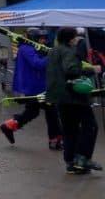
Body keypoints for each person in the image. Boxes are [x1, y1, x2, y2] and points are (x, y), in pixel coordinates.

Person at [46, 26, 102, 174]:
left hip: (59, 97)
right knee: (90, 126)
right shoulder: (69, 51)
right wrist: (92, 70)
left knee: (70, 130)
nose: (77, 39)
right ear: (71, 38)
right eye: (76, 37)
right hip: (74, 97)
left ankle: (71, 162)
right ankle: (83, 158)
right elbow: (71, 70)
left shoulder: (53, 51)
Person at [0, 28, 62, 149]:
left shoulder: (32, 48)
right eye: (41, 38)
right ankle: (55, 139)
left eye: (44, 38)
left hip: (37, 85)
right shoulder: (26, 48)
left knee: (33, 112)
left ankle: (8, 126)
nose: (43, 41)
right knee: (51, 111)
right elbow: (37, 64)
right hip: (34, 87)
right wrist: (51, 56)